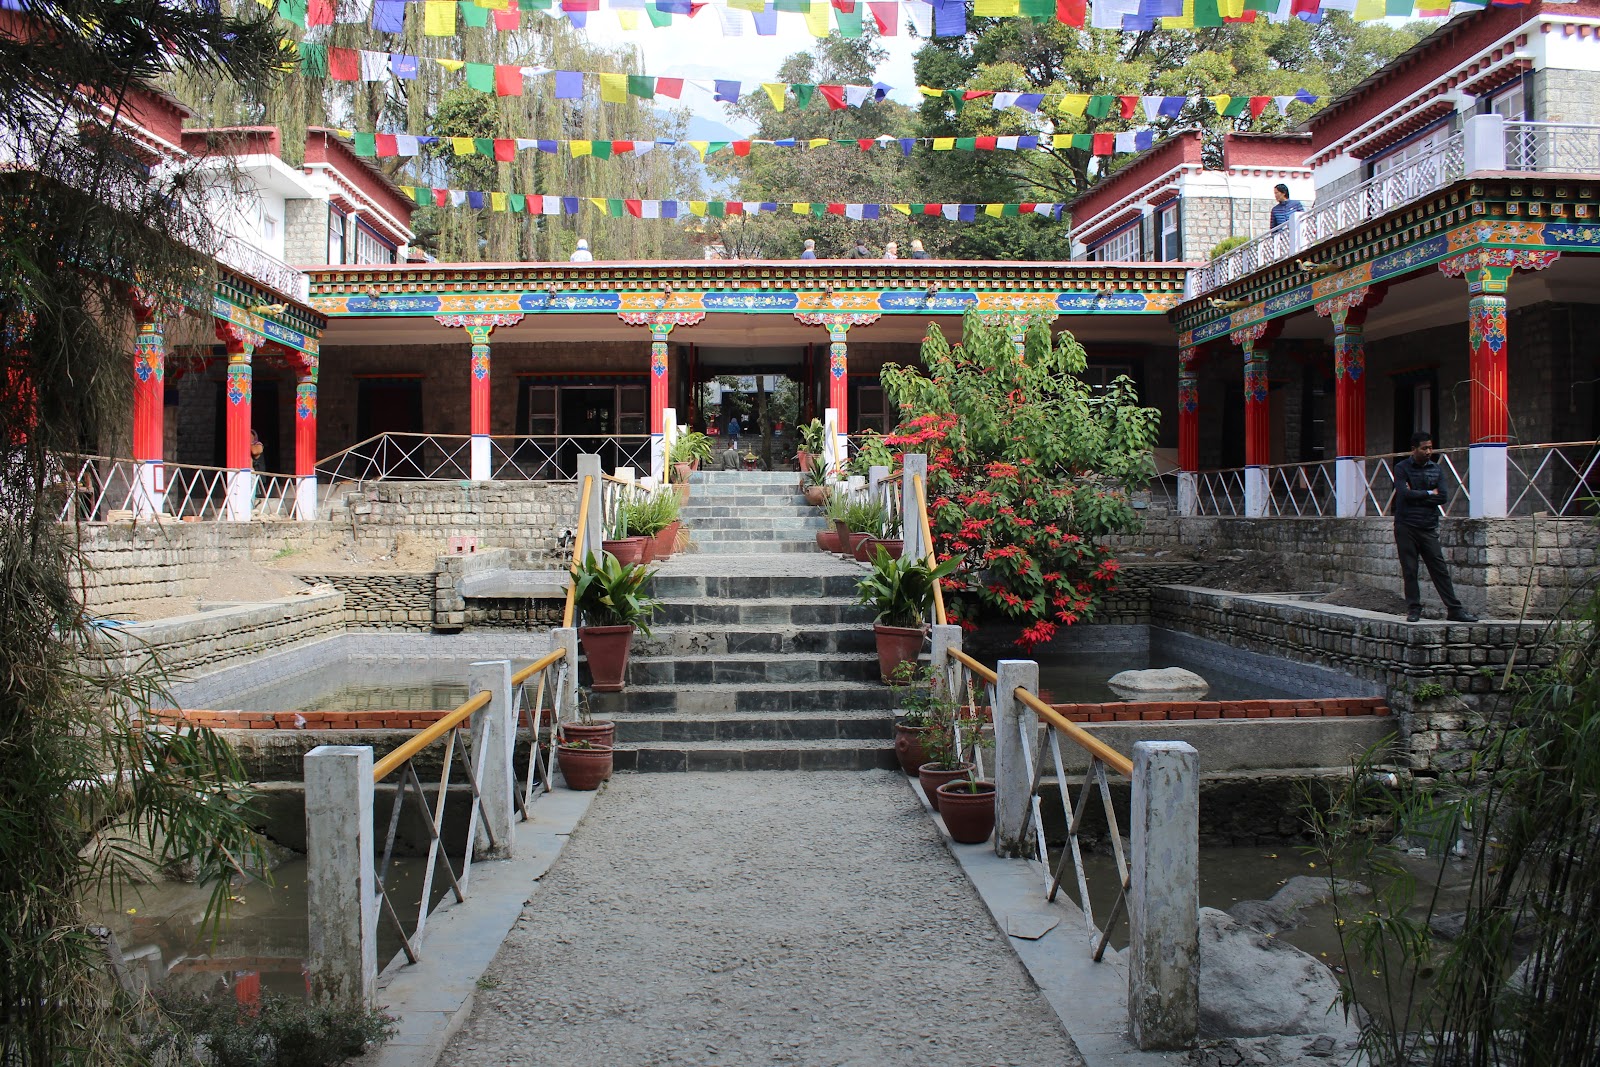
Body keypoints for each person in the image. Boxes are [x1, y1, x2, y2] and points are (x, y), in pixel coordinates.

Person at [1394, 432, 1478, 623]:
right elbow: (1403, 493)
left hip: (1428, 526)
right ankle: (1414, 609)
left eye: (1430, 448)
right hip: (1406, 525)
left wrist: (1418, 494)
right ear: (1413, 449)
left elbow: (1443, 497)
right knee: (1410, 569)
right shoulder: (1401, 468)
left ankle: (1454, 609)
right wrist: (1428, 493)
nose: (1428, 452)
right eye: (1424, 448)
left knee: (1439, 568)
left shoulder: (1436, 470)